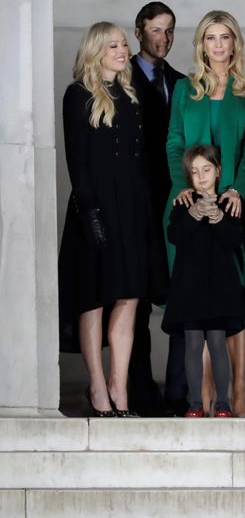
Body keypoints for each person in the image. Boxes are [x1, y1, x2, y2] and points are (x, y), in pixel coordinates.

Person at [165, 10, 245, 418]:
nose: (217, 45)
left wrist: (235, 188)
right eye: (210, 37)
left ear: (234, 43)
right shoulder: (183, 89)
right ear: (201, 44)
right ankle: (203, 396)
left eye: (224, 37)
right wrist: (183, 188)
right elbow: (175, 140)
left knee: (232, 301)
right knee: (196, 303)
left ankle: (236, 395)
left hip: (234, 203)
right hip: (189, 202)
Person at [58, 21, 167, 417]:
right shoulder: (78, 95)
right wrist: (91, 214)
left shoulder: (133, 96)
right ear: (96, 51)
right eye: (114, 45)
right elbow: (78, 161)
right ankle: (98, 386)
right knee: (94, 299)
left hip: (133, 210)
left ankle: (120, 387)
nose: (123, 51)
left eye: (124, 44)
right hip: (96, 211)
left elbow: (140, 164)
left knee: (129, 296)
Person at [128, 0, 186, 417]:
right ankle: (140, 393)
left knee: (181, 298)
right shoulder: (120, 77)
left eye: (168, 31)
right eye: (155, 30)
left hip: (175, 205)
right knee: (136, 304)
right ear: (139, 31)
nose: (162, 39)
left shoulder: (182, 82)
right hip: (136, 205)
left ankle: (179, 394)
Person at [162, 144, 245, 418]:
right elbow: (175, 235)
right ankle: (194, 403)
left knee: (218, 343)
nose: (201, 176)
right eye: (195, 172)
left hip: (220, 287)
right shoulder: (183, 203)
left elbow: (236, 240)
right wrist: (195, 214)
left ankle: (223, 402)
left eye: (206, 170)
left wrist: (219, 218)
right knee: (193, 343)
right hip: (190, 288)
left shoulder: (227, 204)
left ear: (218, 171)